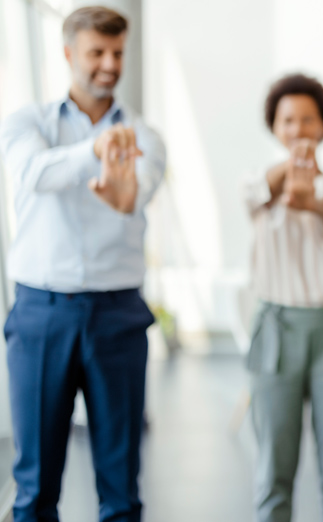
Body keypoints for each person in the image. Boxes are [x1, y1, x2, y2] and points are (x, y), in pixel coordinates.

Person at [0, 6, 165, 521]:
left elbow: (134, 196)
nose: (109, 64)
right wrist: (94, 150)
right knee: (34, 486)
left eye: (117, 53)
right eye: (97, 52)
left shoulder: (146, 137)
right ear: (69, 53)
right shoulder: (28, 122)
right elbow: (32, 174)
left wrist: (117, 183)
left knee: (121, 488)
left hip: (117, 314)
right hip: (40, 312)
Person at [242, 74, 323, 522]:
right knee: (274, 467)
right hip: (276, 327)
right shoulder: (256, 185)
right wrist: (290, 174)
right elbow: (265, 193)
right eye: (288, 120)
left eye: (308, 120)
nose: (298, 129)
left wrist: (307, 197)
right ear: (274, 126)